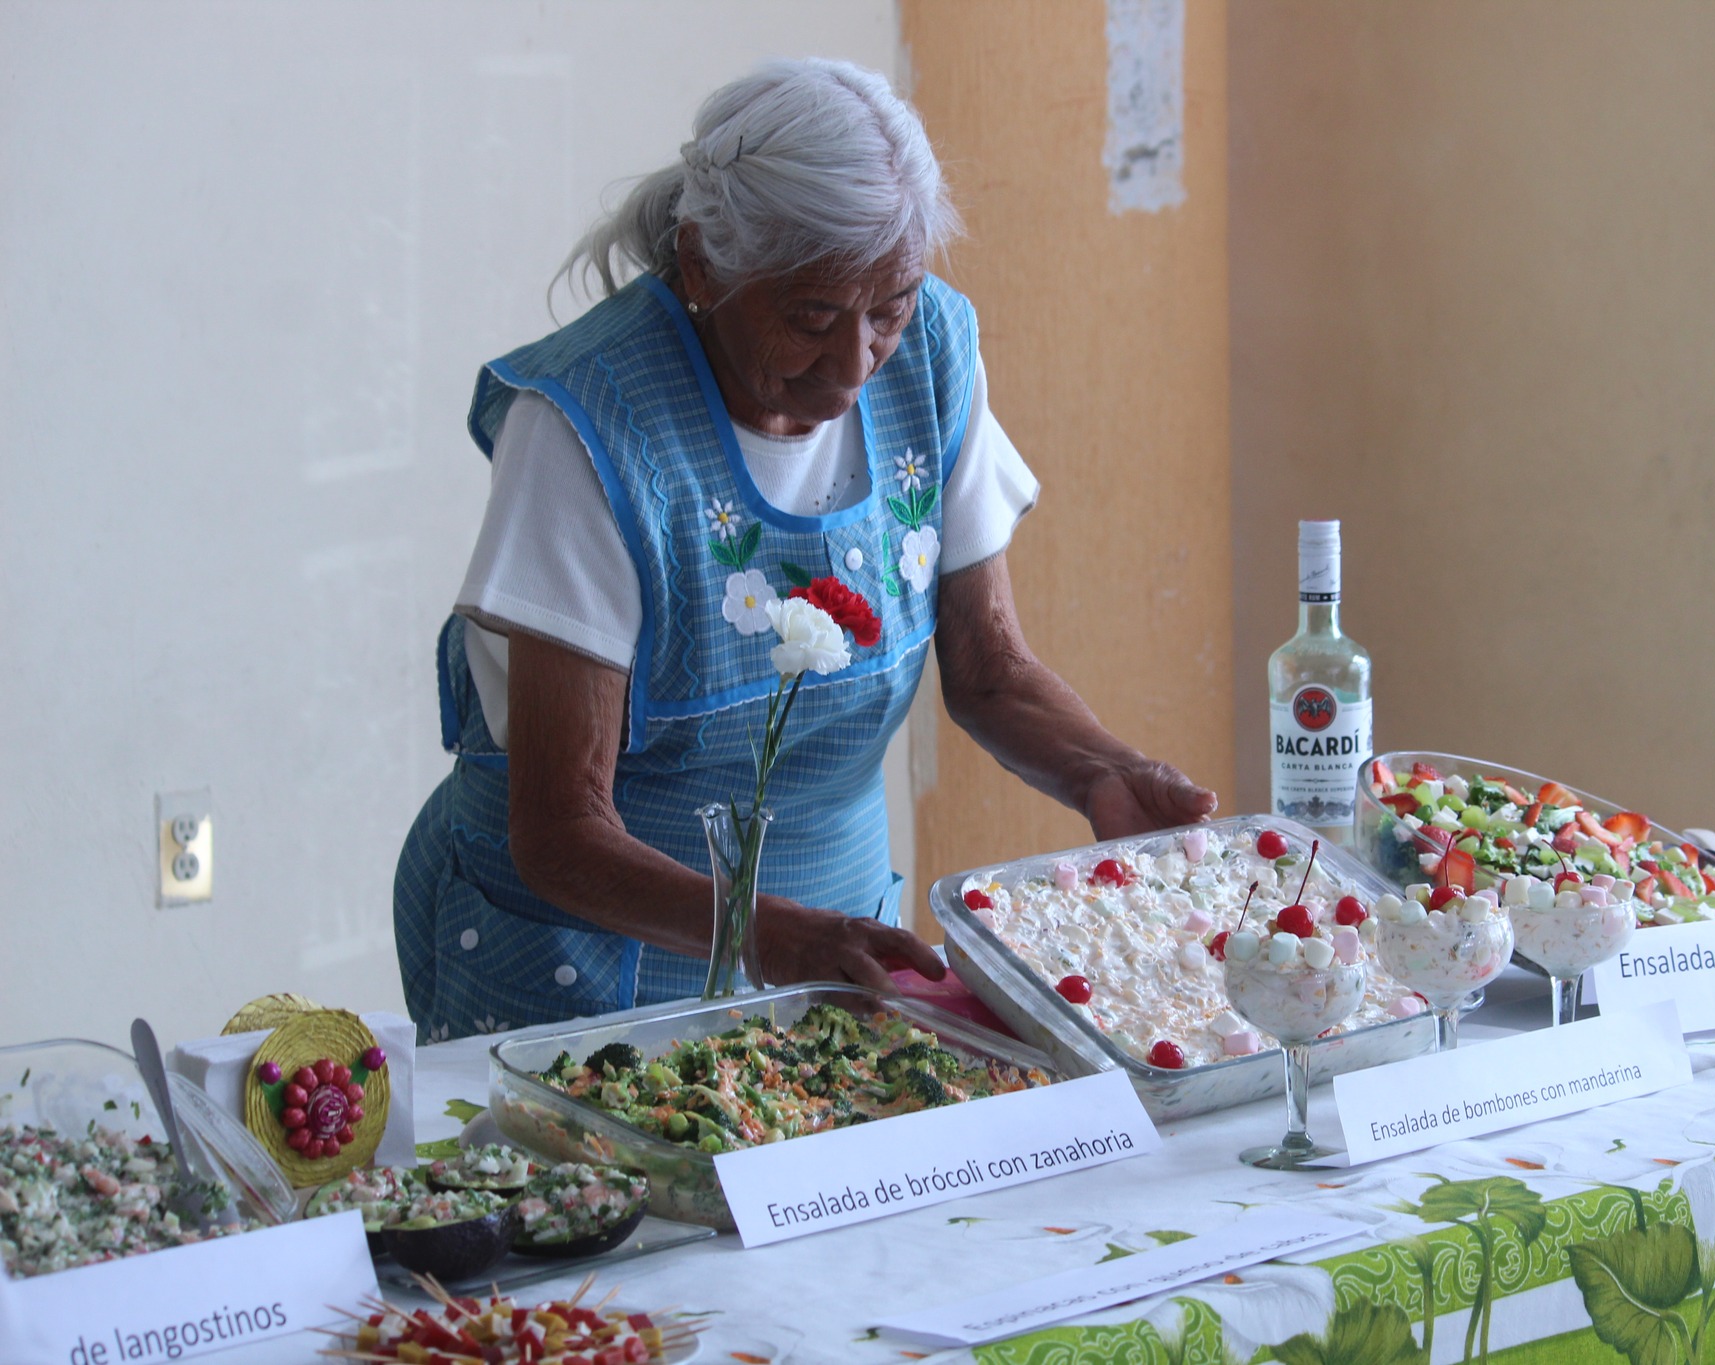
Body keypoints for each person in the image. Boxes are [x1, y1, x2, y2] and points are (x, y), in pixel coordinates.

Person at [394, 58, 1215, 1043]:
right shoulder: (587, 425)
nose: (856, 362)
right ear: (702, 266)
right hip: (590, 967)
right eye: (813, 318)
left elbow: (989, 669)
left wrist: (1103, 774)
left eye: (890, 308)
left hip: (834, 940)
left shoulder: (936, 352)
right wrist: (763, 933)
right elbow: (561, 832)